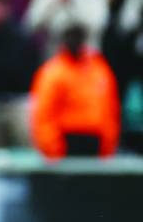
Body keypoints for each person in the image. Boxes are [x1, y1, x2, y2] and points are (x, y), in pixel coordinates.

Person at [30, 24, 121, 159]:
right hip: (66, 142)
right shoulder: (53, 72)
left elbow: (110, 109)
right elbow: (44, 114)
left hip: (95, 142)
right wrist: (54, 150)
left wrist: (107, 146)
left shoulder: (98, 69)